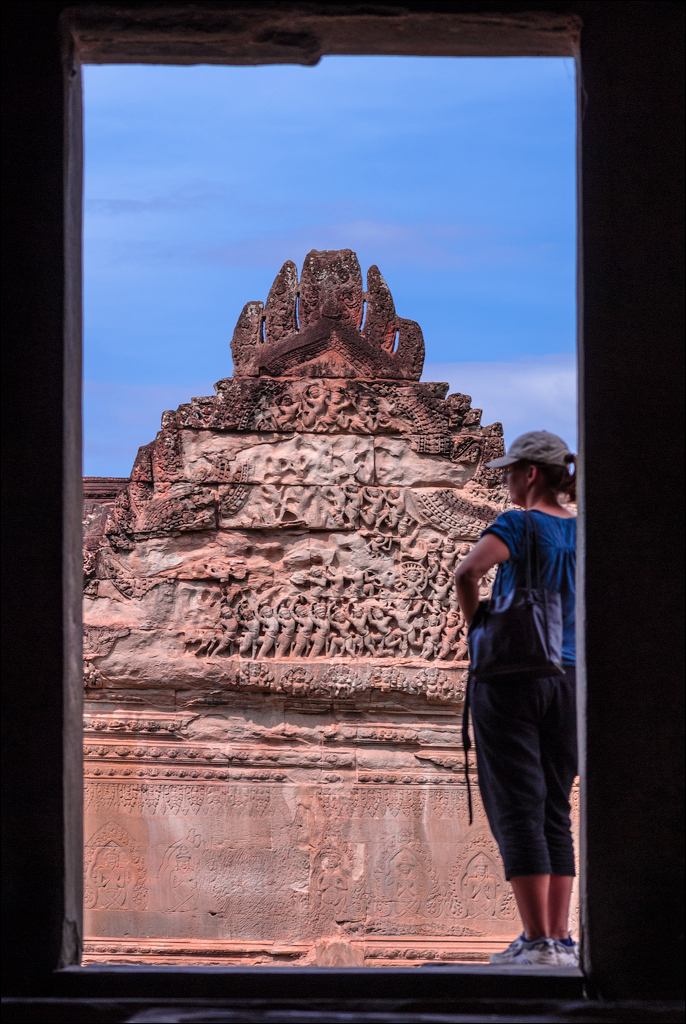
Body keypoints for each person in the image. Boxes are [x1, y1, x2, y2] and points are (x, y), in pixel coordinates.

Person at [454, 431, 579, 968]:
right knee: (555, 805)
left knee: (517, 805)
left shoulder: (520, 523)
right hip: (572, 681)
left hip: (515, 677)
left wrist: (478, 624)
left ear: (531, 474)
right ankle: (559, 939)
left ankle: (533, 939)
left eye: (510, 471)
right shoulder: (584, 530)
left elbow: (468, 571)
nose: (504, 480)